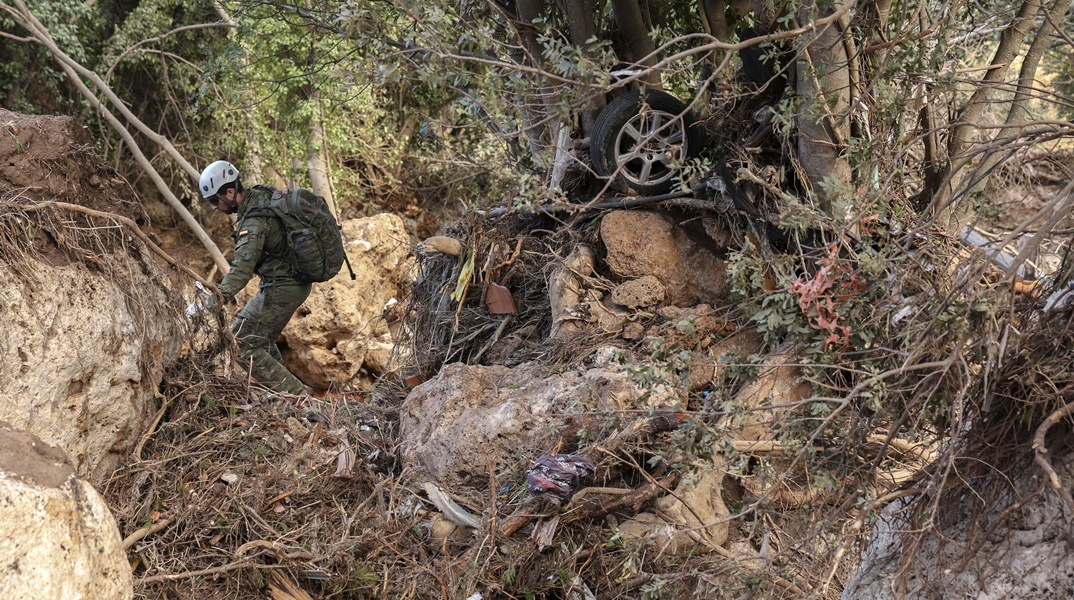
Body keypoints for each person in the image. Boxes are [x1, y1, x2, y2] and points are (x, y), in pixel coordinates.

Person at [198, 159, 310, 395]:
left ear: (230, 192)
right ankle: (289, 395)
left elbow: (241, 270)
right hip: (288, 283)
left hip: (284, 286)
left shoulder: (254, 221)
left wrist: (213, 300)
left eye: (214, 201)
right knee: (261, 340)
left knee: (241, 342)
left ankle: (299, 399)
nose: (213, 207)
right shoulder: (261, 195)